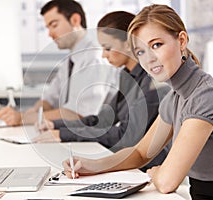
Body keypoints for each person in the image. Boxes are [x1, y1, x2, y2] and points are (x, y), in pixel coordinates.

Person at [62, 4, 213, 199]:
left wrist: (157, 173)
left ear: (181, 40)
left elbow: (167, 182)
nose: (149, 58)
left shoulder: (207, 97)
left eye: (156, 45)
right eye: (141, 51)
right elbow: (141, 153)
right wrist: (92, 165)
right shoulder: (175, 98)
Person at [33, 11, 170, 170]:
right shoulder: (127, 75)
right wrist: (57, 126)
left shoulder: (152, 82)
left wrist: (64, 134)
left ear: (128, 43)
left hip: (148, 168)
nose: (104, 55)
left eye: (108, 48)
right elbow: (103, 120)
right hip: (127, 162)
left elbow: (125, 135)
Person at [0, 0, 118, 126]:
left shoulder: (94, 58)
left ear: (75, 20)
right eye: (48, 28)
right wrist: (29, 113)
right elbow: (49, 100)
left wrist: (22, 118)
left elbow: (77, 114)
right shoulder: (70, 61)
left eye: (54, 25)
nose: (50, 34)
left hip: (97, 140)